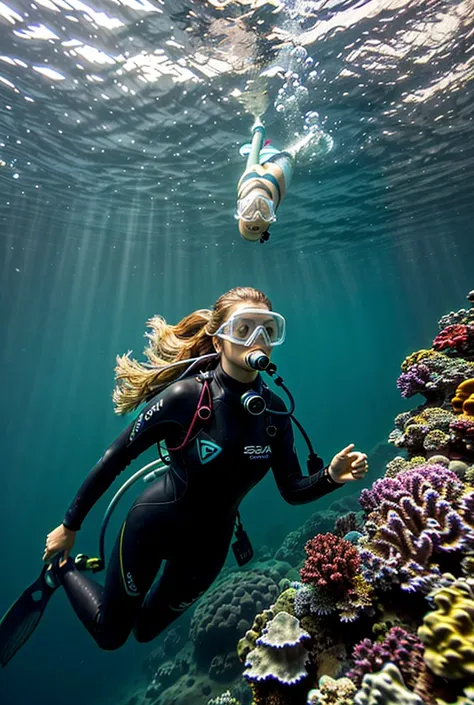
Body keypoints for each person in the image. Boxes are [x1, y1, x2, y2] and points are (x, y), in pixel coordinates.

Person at [0, 287, 368, 665]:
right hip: (150, 529)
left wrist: (330, 477)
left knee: (144, 631)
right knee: (111, 635)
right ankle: (59, 572)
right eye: (244, 329)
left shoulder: (274, 413)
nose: (258, 340)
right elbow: (116, 457)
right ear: (218, 338)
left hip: (208, 551)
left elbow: (292, 489)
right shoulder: (186, 397)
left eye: (268, 330)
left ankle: (76, 580)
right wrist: (69, 525)